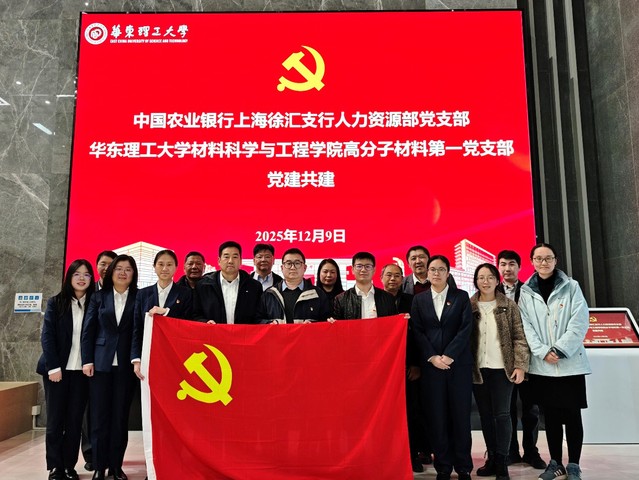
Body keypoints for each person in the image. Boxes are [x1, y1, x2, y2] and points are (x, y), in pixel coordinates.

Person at [518, 243, 591, 480]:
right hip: (543, 366)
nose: (543, 262)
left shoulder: (572, 286)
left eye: (548, 258)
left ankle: (574, 465)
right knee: (550, 418)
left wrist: (560, 349)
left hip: (570, 364)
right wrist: (542, 351)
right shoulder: (526, 292)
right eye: (538, 258)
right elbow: (526, 326)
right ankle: (556, 463)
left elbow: (580, 320)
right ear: (532, 262)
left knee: (572, 416)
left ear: (555, 260)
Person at [410, 255, 473, 480]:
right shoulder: (419, 300)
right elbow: (417, 331)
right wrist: (432, 357)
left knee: (460, 417)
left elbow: (466, 328)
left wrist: (449, 355)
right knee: (437, 418)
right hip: (431, 368)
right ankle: (443, 467)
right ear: (427, 273)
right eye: (432, 269)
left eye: (441, 269)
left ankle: (463, 467)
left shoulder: (461, 297)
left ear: (448, 273)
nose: (436, 273)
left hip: (458, 366)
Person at [81, 255, 139, 480]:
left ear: (133, 274)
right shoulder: (98, 297)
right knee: (99, 418)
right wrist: (87, 360)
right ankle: (99, 466)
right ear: (111, 271)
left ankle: (116, 466)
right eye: (119, 268)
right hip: (100, 365)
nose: (123, 273)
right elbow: (88, 330)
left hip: (126, 367)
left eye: (128, 269)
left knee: (119, 419)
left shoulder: (138, 297)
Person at [470, 263, 529, 480]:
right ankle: (492, 458)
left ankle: (503, 461)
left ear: (497, 280)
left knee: (502, 415)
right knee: (485, 416)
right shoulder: (469, 306)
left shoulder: (508, 305)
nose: (485, 281)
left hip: (503, 370)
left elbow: (519, 337)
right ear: (476, 281)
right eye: (481, 277)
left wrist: (520, 365)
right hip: (478, 370)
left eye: (489, 277)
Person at [37, 259, 95, 480]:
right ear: (69, 277)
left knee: (74, 421)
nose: (81, 278)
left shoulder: (94, 303)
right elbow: (47, 336)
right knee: (55, 421)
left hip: (81, 372)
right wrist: (53, 366)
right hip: (57, 371)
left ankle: (69, 466)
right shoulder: (56, 302)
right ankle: (55, 466)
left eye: (86, 274)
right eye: (77, 274)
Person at [497, 250, 546, 469]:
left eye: (511, 264)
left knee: (531, 408)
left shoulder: (530, 291)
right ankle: (511, 451)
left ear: (519, 267)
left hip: (529, 359)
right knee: (506, 408)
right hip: (501, 360)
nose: (507, 268)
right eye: (503, 264)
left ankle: (531, 451)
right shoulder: (491, 292)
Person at [381, 263, 426, 473]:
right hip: (382, 367)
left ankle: (412, 454)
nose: (393, 279)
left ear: (403, 279)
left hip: (408, 366)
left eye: (397, 275)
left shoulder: (412, 301)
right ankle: (386, 454)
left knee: (411, 412)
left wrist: (416, 363)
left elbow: (418, 334)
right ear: (381, 277)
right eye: (389, 275)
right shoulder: (376, 299)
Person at [131, 249, 193, 379]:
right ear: (154, 267)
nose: (165, 268)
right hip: (148, 354)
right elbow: (137, 328)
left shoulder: (186, 293)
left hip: (175, 354)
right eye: (160, 264)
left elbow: (187, 324)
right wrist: (136, 359)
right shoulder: (142, 294)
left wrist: (166, 312)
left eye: (169, 264)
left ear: (176, 267)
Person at [192, 241, 262, 324]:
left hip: (244, 332)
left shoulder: (254, 286)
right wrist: (205, 322)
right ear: (219, 260)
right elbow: (195, 315)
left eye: (235, 257)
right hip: (213, 332)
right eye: (226, 257)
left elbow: (259, 317)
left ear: (240, 261)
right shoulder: (203, 286)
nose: (230, 261)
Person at [258, 248, 330, 323]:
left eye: (297, 263)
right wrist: (268, 324)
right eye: (288, 263)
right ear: (282, 268)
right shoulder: (269, 295)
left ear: (305, 268)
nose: (292, 267)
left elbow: (326, 322)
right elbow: (258, 320)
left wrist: (312, 325)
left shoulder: (317, 294)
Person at [331, 252, 396, 320]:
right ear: (352, 270)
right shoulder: (341, 299)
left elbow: (394, 323)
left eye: (368, 266)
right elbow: (338, 325)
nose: (363, 270)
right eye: (359, 266)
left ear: (374, 270)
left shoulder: (388, 298)